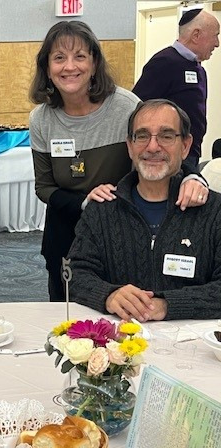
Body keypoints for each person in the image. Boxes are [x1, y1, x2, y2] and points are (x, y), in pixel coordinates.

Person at [29, 21, 208, 302]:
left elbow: (159, 149)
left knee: (125, 308)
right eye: (59, 58)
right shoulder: (41, 119)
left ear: (94, 63)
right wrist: (85, 201)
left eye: (80, 56)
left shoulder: (125, 106)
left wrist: (192, 176)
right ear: (47, 68)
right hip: (65, 233)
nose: (69, 66)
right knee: (68, 314)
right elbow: (44, 187)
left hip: (122, 233)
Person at [69, 99, 221, 321]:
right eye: (142, 136)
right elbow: (75, 274)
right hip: (118, 336)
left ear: (185, 146)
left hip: (192, 340)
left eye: (166, 136)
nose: (152, 147)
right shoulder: (102, 210)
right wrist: (108, 295)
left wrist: (167, 305)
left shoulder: (215, 212)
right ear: (130, 146)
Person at [133, 8, 220, 167]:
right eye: (215, 35)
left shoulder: (198, 69)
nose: (217, 43)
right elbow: (138, 106)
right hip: (168, 155)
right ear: (196, 35)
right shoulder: (164, 62)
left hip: (190, 152)